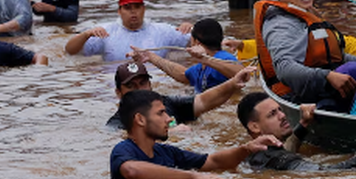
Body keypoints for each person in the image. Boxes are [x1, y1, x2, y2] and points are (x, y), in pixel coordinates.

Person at [110, 89, 276, 179]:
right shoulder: (123, 150)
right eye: (161, 113)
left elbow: (213, 162)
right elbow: (131, 170)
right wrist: (192, 176)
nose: (169, 119)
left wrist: (246, 148)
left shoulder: (167, 153)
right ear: (140, 119)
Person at [255, 0, 356, 107]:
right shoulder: (280, 25)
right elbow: (285, 69)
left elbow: (335, 57)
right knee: (353, 71)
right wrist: (327, 76)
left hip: (322, 85)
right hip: (297, 96)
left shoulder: (309, 15)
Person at [238, 93, 356, 171]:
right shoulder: (277, 158)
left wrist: (303, 125)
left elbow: (285, 152)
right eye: (272, 114)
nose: (282, 116)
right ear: (254, 127)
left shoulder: (258, 153)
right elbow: (327, 173)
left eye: (280, 110)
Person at [105, 60, 252, 129]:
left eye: (142, 83)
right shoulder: (117, 123)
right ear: (119, 93)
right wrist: (170, 134)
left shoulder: (167, 103)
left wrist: (232, 84)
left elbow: (204, 101)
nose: (139, 90)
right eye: (131, 86)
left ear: (150, 85)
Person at [66, 0, 191, 60]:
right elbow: (70, 50)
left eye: (137, 7)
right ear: (119, 11)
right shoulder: (105, 32)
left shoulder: (162, 31)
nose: (133, 11)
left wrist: (190, 27)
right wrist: (86, 34)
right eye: (127, 7)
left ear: (144, 9)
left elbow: (198, 44)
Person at [131, 18, 242, 94]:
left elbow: (242, 74)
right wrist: (151, 57)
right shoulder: (200, 67)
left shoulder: (224, 58)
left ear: (197, 43)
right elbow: (183, 75)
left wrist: (206, 60)